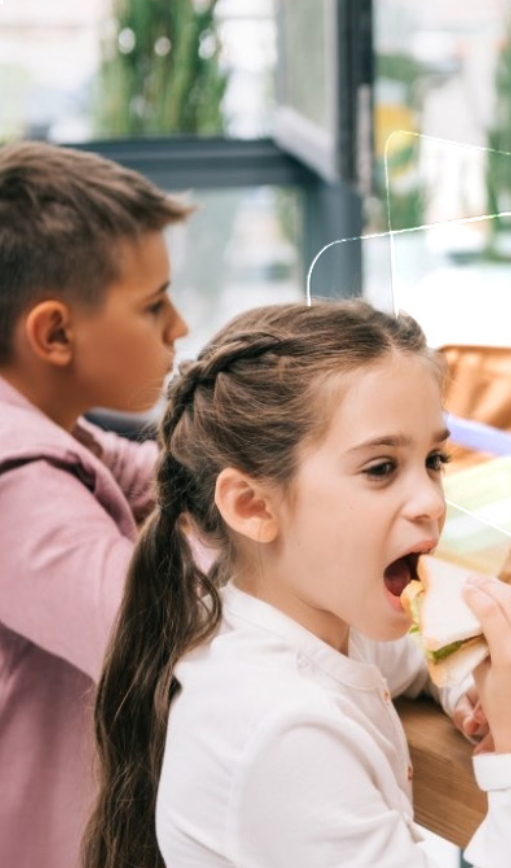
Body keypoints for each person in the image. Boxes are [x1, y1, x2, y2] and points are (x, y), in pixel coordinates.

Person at [83, 302, 511, 867]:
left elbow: (401, 653)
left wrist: (465, 683)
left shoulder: (303, 615)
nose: (432, 503)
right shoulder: (284, 732)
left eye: (434, 459)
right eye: (381, 469)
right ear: (252, 506)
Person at [0, 140, 191, 868]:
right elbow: (158, 631)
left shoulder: (53, 430)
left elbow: (168, 481)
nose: (178, 324)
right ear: (54, 333)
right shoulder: (15, 482)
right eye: (153, 305)